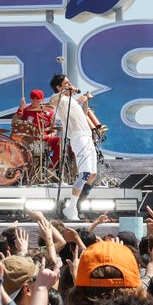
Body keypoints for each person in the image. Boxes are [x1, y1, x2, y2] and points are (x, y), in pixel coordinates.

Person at [50, 74, 97, 221]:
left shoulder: (71, 101)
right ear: (59, 87)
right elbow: (52, 100)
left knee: (92, 175)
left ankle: (76, 206)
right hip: (79, 138)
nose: (70, 84)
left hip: (87, 137)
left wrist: (85, 102)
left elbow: (82, 115)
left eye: (70, 82)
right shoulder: (60, 100)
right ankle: (71, 208)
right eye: (66, 82)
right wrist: (68, 91)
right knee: (85, 173)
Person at [16, 89, 61, 166]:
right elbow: (16, 122)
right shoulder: (26, 110)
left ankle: (52, 167)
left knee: (60, 141)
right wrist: (21, 108)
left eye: (38, 100)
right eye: (33, 100)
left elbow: (54, 131)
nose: (35, 102)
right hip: (29, 141)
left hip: (45, 141)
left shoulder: (50, 112)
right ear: (30, 99)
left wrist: (47, 136)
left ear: (42, 99)